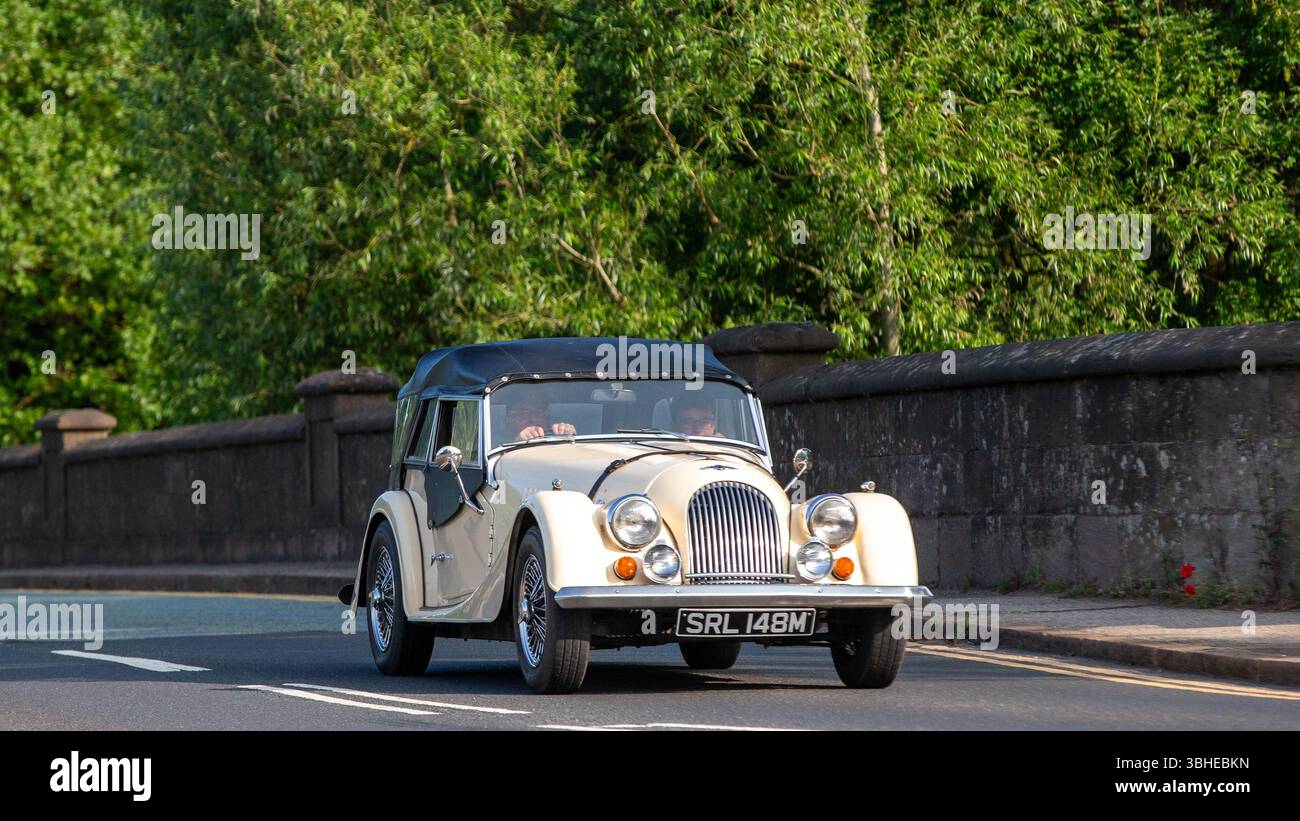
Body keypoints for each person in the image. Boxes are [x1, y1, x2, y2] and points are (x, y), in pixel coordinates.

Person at [505, 392, 576, 441]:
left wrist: (570, 437)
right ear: (509, 421)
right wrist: (517, 443)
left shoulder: (558, 438)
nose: (533, 418)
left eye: (539, 412)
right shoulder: (495, 443)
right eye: (524, 412)